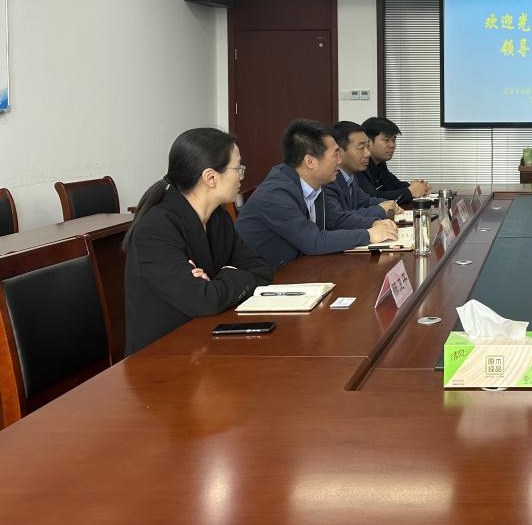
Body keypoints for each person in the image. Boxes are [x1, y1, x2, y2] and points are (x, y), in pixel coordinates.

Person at [123, 127, 273, 355]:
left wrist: (215, 282)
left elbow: (262, 271)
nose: (242, 176)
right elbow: (204, 300)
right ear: (210, 177)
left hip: (205, 342)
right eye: (238, 168)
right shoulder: (155, 229)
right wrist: (229, 274)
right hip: (161, 357)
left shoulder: (218, 218)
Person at [236, 119, 398, 269]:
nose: (340, 161)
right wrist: (368, 235)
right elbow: (313, 241)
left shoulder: (313, 185)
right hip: (267, 278)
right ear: (310, 161)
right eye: (335, 155)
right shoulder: (276, 194)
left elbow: (337, 219)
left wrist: (374, 223)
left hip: (301, 268)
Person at [324, 120, 399, 228]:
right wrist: (381, 209)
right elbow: (338, 218)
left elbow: (365, 201)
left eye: (368, 147)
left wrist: (390, 203)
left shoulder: (351, 176)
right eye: (361, 148)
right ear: (339, 151)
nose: (368, 153)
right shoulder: (328, 179)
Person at [359, 116, 429, 206]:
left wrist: (419, 186)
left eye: (393, 140)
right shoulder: (358, 165)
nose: (392, 145)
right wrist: (410, 191)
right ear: (368, 142)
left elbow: (394, 185)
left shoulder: (379, 163)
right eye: (386, 140)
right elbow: (372, 197)